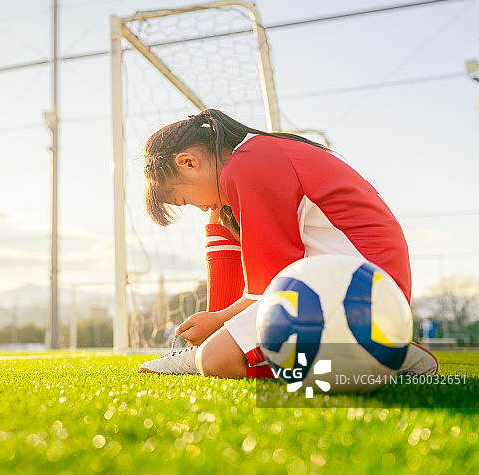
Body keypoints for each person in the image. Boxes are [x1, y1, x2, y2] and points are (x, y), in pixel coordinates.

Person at [137, 108, 438, 377]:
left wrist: (217, 321)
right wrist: (219, 321)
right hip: (360, 284)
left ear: (188, 162)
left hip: (360, 295)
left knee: (216, 361)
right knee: (219, 218)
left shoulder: (247, 165)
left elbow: (268, 289)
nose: (199, 206)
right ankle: (360, 348)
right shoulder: (256, 154)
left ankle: (370, 354)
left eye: (184, 199)